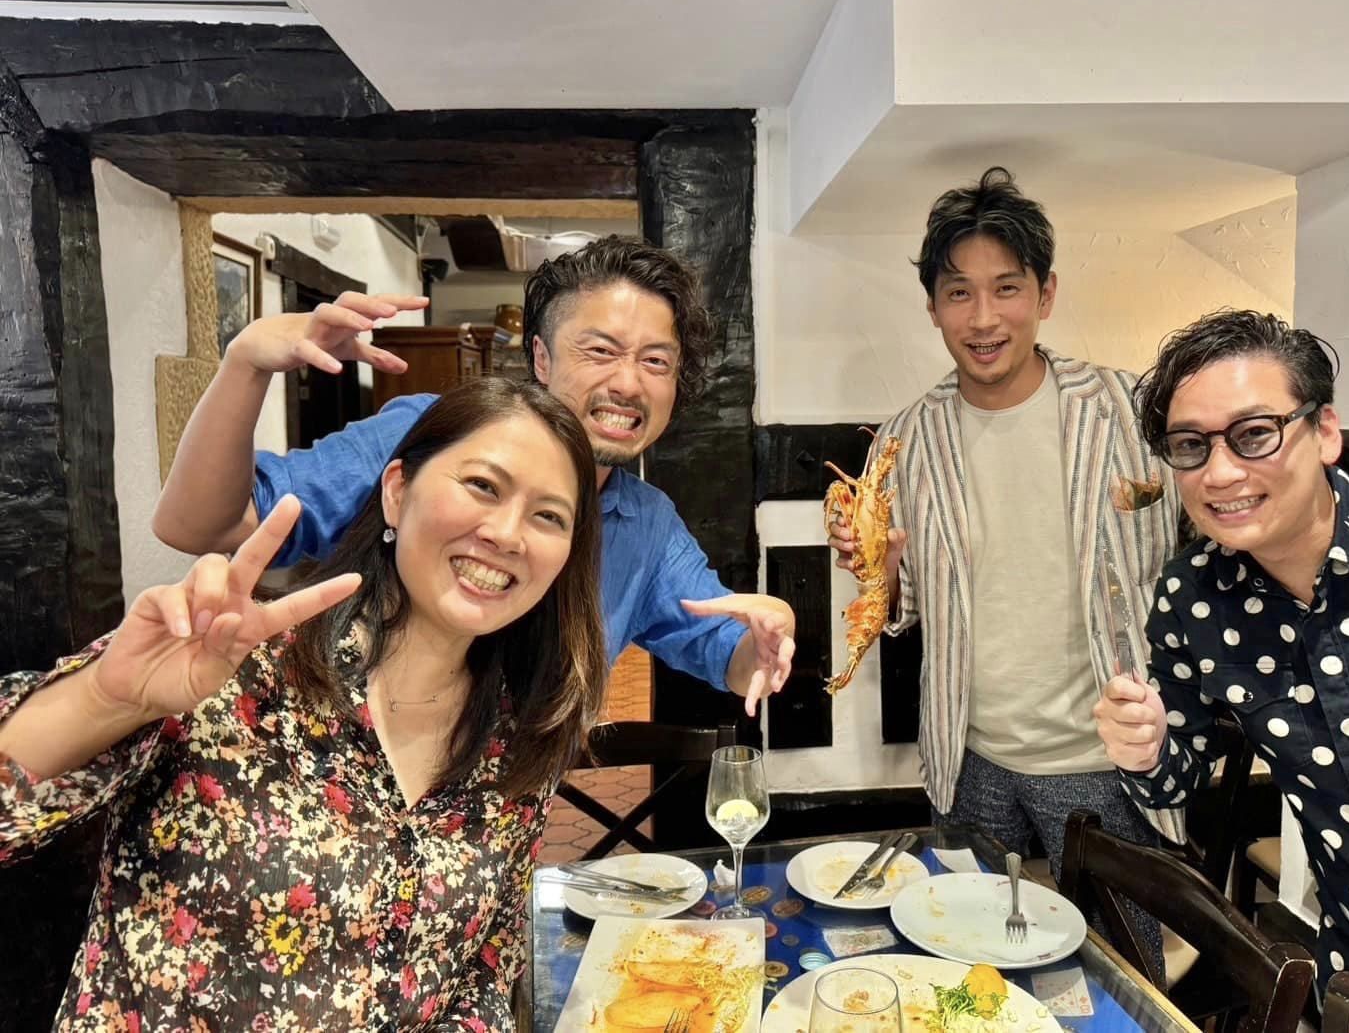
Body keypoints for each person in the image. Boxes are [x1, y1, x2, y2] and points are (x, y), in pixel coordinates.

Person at [0, 378, 608, 1031]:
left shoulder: (518, 738)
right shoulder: (230, 664)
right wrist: (107, 698)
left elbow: (484, 969)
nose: (508, 533)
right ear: (397, 491)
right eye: (483, 486)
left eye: (549, 516)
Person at [152, 236, 792, 716]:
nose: (628, 382)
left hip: (492, 828)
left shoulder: (645, 524)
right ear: (540, 356)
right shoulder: (435, 438)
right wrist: (246, 364)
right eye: (600, 351)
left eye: (656, 361)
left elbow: (726, 650)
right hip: (328, 790)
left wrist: (764, 645)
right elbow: (202, 526)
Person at [827, 168, 1182, 968]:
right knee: (969, 962)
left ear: (1044, 295)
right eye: (958, 293)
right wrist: (880, 571)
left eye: (1006, 288)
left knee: (1123, 977)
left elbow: (1215, 533)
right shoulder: (902, 441)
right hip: (969, 755)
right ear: (932, 307)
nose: (983, 318)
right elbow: (897, 607)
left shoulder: (1131, 410)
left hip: (1105, 758)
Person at [1094, 309, 1349, 1032]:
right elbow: (1174, 780)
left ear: (1324, 431)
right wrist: (1141, 749)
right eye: (1190, 446)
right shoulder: (1194, 598)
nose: (1220, 472)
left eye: (1254, 433)